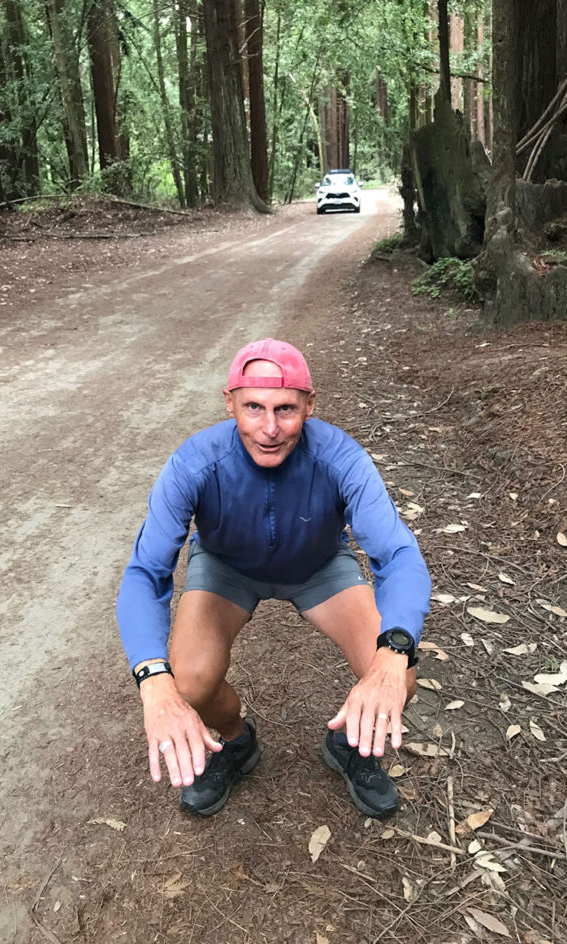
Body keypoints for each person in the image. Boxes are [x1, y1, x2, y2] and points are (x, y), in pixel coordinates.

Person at [117, 339, 431, 818]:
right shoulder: (195, 462)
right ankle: (235, 742)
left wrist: (395, 648)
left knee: (398, 675)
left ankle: (350, 742)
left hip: (320, 567)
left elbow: (399, 553)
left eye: (285, 409)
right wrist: (150, 675)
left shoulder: (340, 458)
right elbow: (146, 570)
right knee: (187, 684)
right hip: (226, 570)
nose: (268, 429)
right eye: (253, 408)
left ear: (310, 405)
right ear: (229, 403)